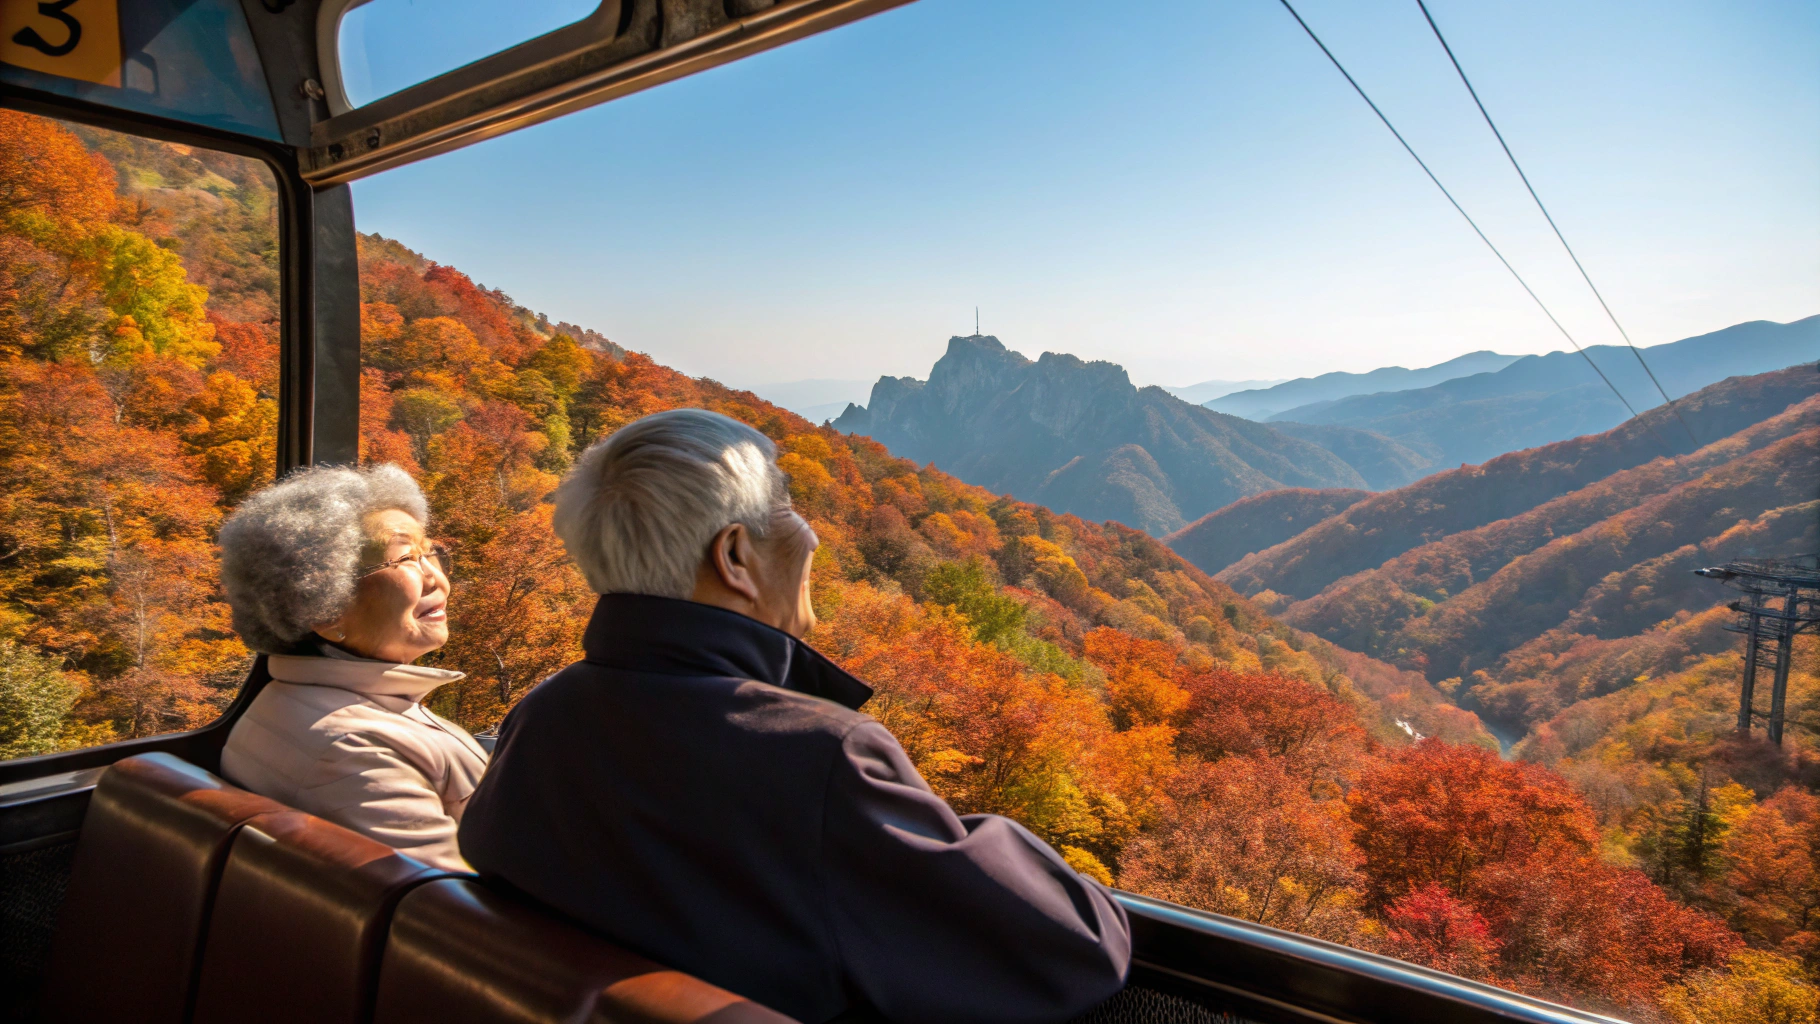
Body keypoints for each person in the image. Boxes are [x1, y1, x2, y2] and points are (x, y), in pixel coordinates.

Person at [459, 409, 1129, 1024]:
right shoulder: (816, 757)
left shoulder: (540, 719)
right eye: (785, 504)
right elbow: (1076, 949)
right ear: (734, 558)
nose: (809, 530)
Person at [216, 463, 486, 872]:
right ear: (326, 611)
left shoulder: (285, 702)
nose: (437, 579)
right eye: (407, 558)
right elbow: (449, 913)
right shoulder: (355, 749)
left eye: (431, 552)